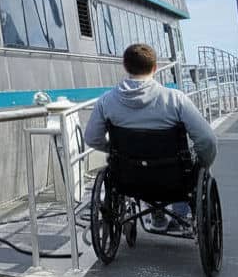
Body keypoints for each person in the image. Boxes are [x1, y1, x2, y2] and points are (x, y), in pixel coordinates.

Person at [83, 43, 217, 232]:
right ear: (154, 68)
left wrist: (114, 150)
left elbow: (92, 138)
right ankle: (180, 214)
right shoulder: (175, 99)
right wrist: (203, 163)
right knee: (191, 165)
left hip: (127, 178)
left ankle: (156, 213)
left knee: (142, 169)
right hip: (175, 179)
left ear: (125, 66)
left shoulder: (106, 101)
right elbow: (207, 140)